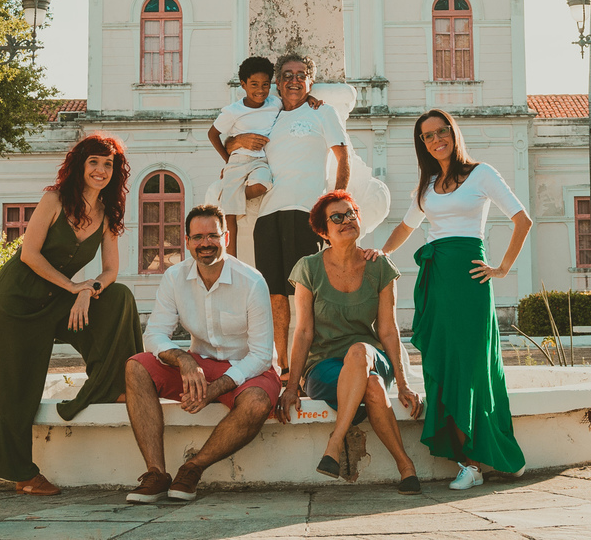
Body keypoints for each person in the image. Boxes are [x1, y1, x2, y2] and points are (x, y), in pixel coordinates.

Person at [0, 133, 144, 496]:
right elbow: (29, 254)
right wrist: (73, 288)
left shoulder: (107, 213)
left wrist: (87, 291)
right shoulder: (54, 199)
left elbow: (110, 272)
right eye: (94, 161)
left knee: (118, 298)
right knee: (17, 385)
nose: (101, 170)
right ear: (80, 165)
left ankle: (114, 385)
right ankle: (22, 473)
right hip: (15, 300)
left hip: (57, 297)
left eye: (108, 164)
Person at [382, 110, 533, 491]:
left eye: (440, 131)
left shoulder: (481, 173)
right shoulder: (428, 185)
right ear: (423, 144)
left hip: (469, 280)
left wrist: (501, 268)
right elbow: (406, 226)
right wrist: (381, 254)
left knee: (472, 368)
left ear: (452, 132)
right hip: (437, 280)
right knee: (442, 365)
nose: (435, 140)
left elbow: (522, 219)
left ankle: (489, 454)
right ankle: (469, 463)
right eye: (427, 136)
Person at [123, 204, 280, 503]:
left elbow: (260, 354)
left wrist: (216, 389)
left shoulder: (252, 281)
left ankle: (193, 468)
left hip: (249, 370)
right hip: (199, 364)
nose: (205, 243)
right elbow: (154, 335)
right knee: (136, 367)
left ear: (227, 237)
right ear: (187, 241)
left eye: (212, 236)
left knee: (257, 402)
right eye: (197, 237)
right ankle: (156, 474)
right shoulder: (174, 277)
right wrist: (183, 360)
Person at [277, 191, 423, 495]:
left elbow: (388, 330)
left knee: (360, 352)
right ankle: (406, 467)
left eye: (351, 214)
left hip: (371, 356)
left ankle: (334, 444)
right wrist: (291, 387)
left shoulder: (380, 267)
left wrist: (404, 382)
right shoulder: (309, 268)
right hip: (325, 368)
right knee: (370, 385)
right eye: (337, 217)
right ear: (323, 231)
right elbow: (303, 331)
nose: (347, 220)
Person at [227, 53, 349, 377]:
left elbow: (342, 157)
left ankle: (310, 366)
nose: (294, 80)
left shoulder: (323, 112)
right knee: (274, 294)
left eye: (300, 75)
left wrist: (336, 207)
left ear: (309, 81)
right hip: (268, 215)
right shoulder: (268, 117)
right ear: (278, 84)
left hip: (306, 212)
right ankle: (282, 366)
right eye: (287, 75)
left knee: (305, 294)